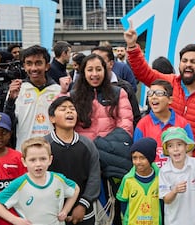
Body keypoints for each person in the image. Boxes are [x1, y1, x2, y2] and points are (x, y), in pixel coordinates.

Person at [124, 21, 195, 157]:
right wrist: (132, 46)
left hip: (193, 163)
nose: (188, 65)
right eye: (184, 61)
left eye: (193, 62)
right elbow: (143, 72)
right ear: (179, 63)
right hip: (162, 158)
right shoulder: (168, 82)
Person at [71, 54, 133, 225]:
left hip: (112, 160)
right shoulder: (74, 96)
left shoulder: (118, 93)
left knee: (114, 210)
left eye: (98, 69)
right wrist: (90, 151)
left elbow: (126, 126)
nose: (94, 74)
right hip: (85, 162)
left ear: (106, 71)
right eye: (89, 70)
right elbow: (71, 129)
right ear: (83, 72)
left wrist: (98, 147)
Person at [0, 137, 80, 225]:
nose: (38, 164)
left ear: (50, 160)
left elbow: (76, 188)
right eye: (32, 160)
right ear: (24, 162)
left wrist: (65, 211)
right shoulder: (19, 183)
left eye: (43, 159)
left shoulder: (58, 179)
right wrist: (14, 220)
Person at [45, 96, 101, 225]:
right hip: (52, 214)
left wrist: (83, 204)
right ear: (52, 118)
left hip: (83, 213)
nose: (69, 111)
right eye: (63, 109)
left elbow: (94, 176)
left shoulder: (87, 144)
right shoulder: (44, 145)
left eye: (72, 109)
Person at [4, 45, 70, 150]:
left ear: (47, 66)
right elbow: (8, 123)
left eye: (38, 63)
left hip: (52, 151)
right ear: (24, 66)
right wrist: (11, 100)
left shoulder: (58, 91)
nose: (34, 68)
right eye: (29, 63)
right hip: (24, 151)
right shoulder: (18, 89)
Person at [134, 79, 193, 168]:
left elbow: (189, 152)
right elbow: (137, 156)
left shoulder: (182, 123)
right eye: (150, 93)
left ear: (170, 100)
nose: (153, 97)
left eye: (159, 93)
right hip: (153, 179)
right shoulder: (142, 125)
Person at [91, 46, 141, 127]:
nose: (96, 64)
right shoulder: (81, 88)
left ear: (111, 64)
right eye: (92, 61)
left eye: (101, 61)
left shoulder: (125, 88)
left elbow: (135, 119)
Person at [117, 137, 162, 225]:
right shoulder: (128, 179)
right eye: (134, 158)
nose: (138, 162)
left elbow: (163, 204)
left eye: (142, 158)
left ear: (151, 158)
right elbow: (123, 204)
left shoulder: (160, 178)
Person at [0, 112, 26, 225]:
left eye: (4, 132)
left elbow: (25, 187)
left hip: (13, 217)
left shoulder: (18, 157)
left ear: (10, 134)